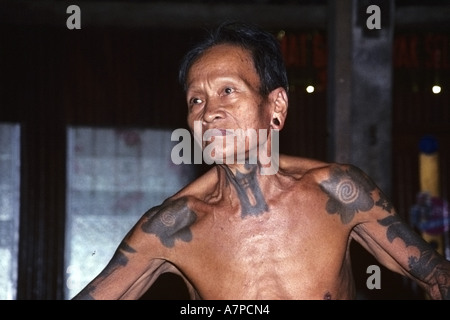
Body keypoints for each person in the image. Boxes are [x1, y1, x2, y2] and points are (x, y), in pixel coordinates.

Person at [72, 21, 450, 300]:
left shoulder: (339, 192)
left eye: (227, 91)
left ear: (276, 107)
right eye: (196, 100)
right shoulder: (169, 228)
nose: (208, 113)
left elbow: (436, 278)